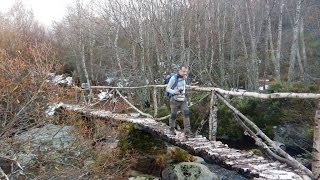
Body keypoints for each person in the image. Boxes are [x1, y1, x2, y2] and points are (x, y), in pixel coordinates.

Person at [166, 64, 193, 137]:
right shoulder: (173, 78)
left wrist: (190, 86)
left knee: (186, 114)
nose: (185, 73)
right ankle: (171, 129)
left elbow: (184, 86)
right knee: (173, 115)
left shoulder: (185, 78)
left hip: (183, 99)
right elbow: (167, 88)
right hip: (174, 99)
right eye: (183, 71)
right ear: (179, 70)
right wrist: (174, 92)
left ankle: (187, 132)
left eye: (186, 72)